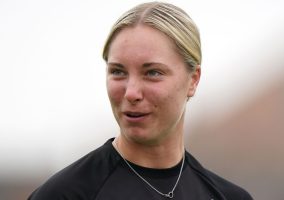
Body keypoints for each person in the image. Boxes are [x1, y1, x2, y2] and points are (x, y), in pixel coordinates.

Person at [28, 2, 253, 200]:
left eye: (152, 73)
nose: (131, 93)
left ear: (193, 80)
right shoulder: (65, 194)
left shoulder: (228, 196)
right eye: (118, 72)